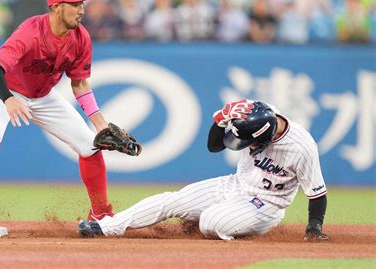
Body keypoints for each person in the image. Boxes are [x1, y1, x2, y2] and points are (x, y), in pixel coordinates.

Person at [0, 0, 120, 224]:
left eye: (82, 3)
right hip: (4, 89)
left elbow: (80, 83)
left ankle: (100, 212)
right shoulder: (31, 31)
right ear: (56, 6)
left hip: (42, 96)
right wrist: (8, 100)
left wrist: (100, 123)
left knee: (89, 145)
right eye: (75, 4)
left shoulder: (81, 38)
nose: (81, 10)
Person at [78, 100, 329, 241]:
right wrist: (220, 119)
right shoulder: (251, 113)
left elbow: (317, 193)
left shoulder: (301, 146)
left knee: (210, 222)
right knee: (173, 200)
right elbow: (214, 146)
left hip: (265, 204)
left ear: (263, 136)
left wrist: (314, 228)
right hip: (235, 184)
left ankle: (213, 216)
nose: (246, 147)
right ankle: (108, 227)